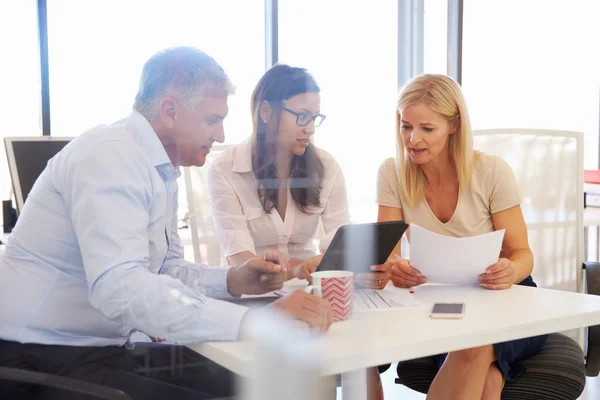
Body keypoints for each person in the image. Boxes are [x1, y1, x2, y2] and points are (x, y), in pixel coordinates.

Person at [0, 47, 332, 400]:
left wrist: (233, 279)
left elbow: (164, 269)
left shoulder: (160, 170)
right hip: (38, 358)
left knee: (265, 382)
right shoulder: (109, 154)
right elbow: (120, 287)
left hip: (102, 349)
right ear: (170, 110)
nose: (220, 135)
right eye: (212, 120)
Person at [370, 74, 547, 399]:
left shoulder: (491, 171)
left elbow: (522, 254)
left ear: (454, 125)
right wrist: (396, 268)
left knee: (474, 344)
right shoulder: (392, 173)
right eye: (405, 126)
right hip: (442, 303)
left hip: (506, 298)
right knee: (488, 379)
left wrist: (509, 271)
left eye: (426, 128)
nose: (412, 139)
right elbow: (387, 255)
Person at [206, 64, 350, 282]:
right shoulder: (225, 170)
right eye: (302, 116)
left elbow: (341, 241)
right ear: (266, 111)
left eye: (314, 117)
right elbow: (240, 259)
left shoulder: (326, 166)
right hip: (256, 292)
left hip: (312, 286)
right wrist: (297, 269)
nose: (310, 128)